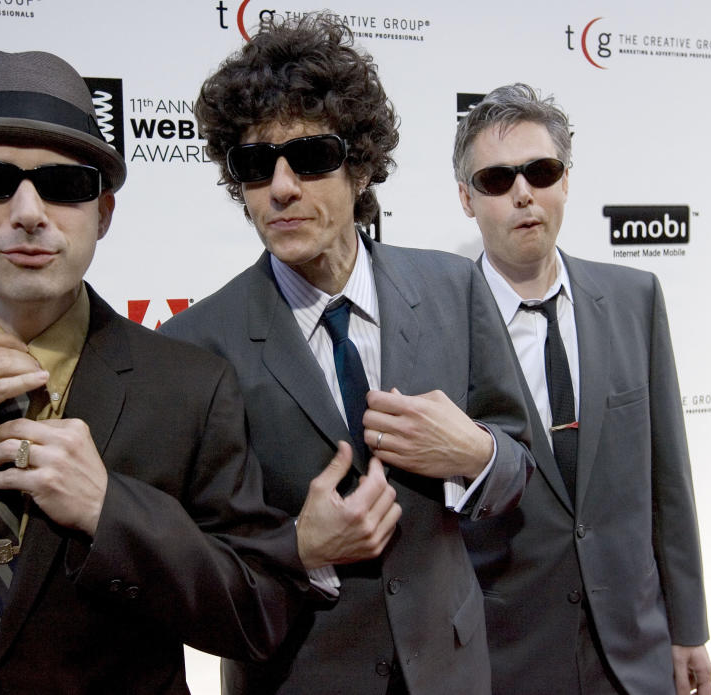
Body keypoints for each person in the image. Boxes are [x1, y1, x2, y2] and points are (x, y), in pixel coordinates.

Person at [0, 48, 371, 694]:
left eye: (64, 186)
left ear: (103, 214)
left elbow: (256, 612)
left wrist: (110, 510)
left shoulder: (189, 384)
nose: (29, 211)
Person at [161, 15, 534, 695]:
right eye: (255, 164)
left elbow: (518, 465)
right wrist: (301, 551)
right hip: (296, 675)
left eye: (309, 157)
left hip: (451, 668)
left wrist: (474, 454)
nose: (280, 187)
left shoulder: (454, 287)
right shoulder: (194, 344)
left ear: (359, 166)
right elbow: (194, 569)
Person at [454, 83, 711, 695]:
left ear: (565, 180)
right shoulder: (437, 322)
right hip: (504, 658)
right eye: (496, 179)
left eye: (541, 172)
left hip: (635, 649)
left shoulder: (635, 298)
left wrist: (689, 628)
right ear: (466, 199)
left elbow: (668, 481)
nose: (523, 193)